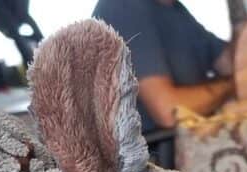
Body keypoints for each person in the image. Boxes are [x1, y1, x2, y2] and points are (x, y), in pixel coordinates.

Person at [92, 0, 236, 133]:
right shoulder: (123, 7)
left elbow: (230, 62)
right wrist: (231, 86)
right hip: (154, 155)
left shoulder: (175, 9)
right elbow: (169, 112)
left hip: (186, 144)